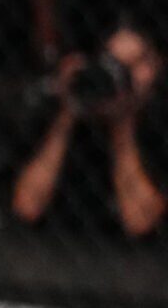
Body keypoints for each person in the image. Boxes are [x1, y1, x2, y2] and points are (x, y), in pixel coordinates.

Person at [12, 23, 168, 238]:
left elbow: (139, 222)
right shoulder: (68, 116)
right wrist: (71, 109)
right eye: (114, 63)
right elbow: (26, 207)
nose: (122, 74)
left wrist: (122, 122)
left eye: (135, 64)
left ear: (157, 67)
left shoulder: (159, 126)